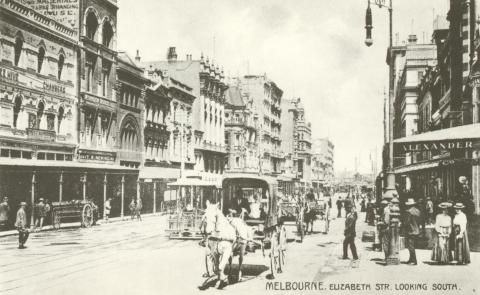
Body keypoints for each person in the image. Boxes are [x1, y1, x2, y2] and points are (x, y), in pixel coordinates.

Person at [403, 198, 421, 265]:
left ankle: (414, 260)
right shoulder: (417, 211)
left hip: (410, 230)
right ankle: (411, 259)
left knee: (410, 245)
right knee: (413, 245)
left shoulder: (409, 211)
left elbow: (407, 222)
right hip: (416, 230)